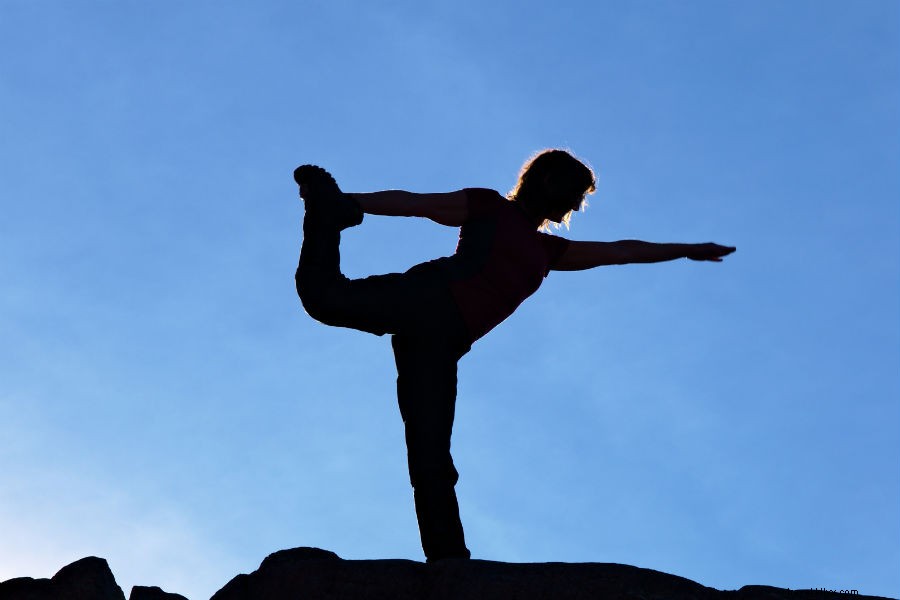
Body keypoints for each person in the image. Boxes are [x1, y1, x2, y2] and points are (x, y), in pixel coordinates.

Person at [293, 149, 735, 563]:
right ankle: (325, 211)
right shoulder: (489, 208)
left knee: (430, 452)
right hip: (427, 298)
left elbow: (623, 251)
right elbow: (417, 204)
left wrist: (686, 251)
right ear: (546, 180)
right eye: (575, 193)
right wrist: (348, 201)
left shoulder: (549, 250)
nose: (577, 206)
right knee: (324, 298)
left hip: (442, 343)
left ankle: (450, 562)